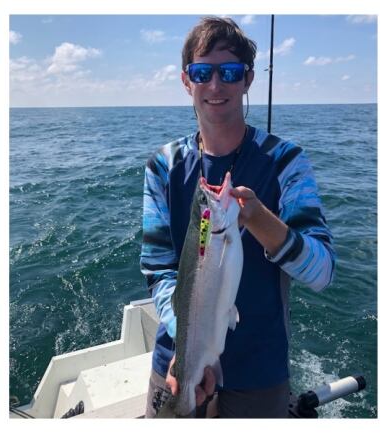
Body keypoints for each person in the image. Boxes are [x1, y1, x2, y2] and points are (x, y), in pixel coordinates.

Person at [141, 17, 335, 418]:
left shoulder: (286, 163)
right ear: (186, 80)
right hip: (179, 362)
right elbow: (160, 270)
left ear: (247, 80)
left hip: (260, 371)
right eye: (202, 72)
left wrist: (261, 220)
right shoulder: (163, 166)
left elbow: (322, 272)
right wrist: (189, 349)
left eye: (229, 72)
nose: (215, 85)